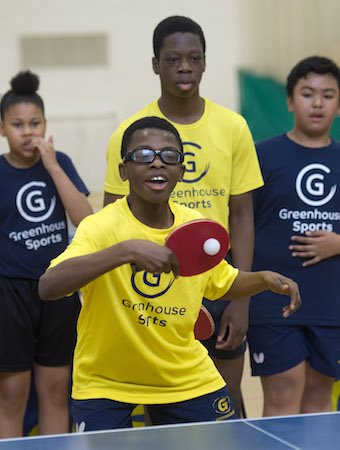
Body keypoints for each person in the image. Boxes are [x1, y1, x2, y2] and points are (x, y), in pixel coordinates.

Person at [38, 116, 301, 431]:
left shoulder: (193, 225)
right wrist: (126, 250)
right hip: (105, 382)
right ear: (124, 170)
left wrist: (264, 279)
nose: (157, 163)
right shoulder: (101, 227)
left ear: (182, 170)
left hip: (185, 377)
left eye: (169, 156)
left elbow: (222, 282)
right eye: (143, 155)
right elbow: (49, 286)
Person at [103, 15, 264, 416]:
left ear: (205, 62)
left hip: (217, 278)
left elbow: (242, 215)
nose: (185, 67)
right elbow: (111, 218)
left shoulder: (233, 127)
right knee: (163, 404)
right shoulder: (129, 133)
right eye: (173, 59)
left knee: (225, 403)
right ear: (155, 64)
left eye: (194, 58)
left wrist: (241, 299)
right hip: (152, 282)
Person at [0, 70, 93, 438]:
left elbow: (84, 219)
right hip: (10, 294)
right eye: (17, 124)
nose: (27, 132)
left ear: (45, 124)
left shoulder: (61, 162)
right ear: (3, 128)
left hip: (58, 289)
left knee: (56, 390)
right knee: (10, 394)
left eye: (35, 123)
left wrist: (52, 165)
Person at [247, 56, 340, 416]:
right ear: (289, 101)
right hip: (274, 301)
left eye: (328, 94)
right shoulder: (262, 155)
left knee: (319, 399)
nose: (317, 103)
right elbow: (241, 224)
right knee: (283, 394)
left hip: (330, 301)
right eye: (307, 93)